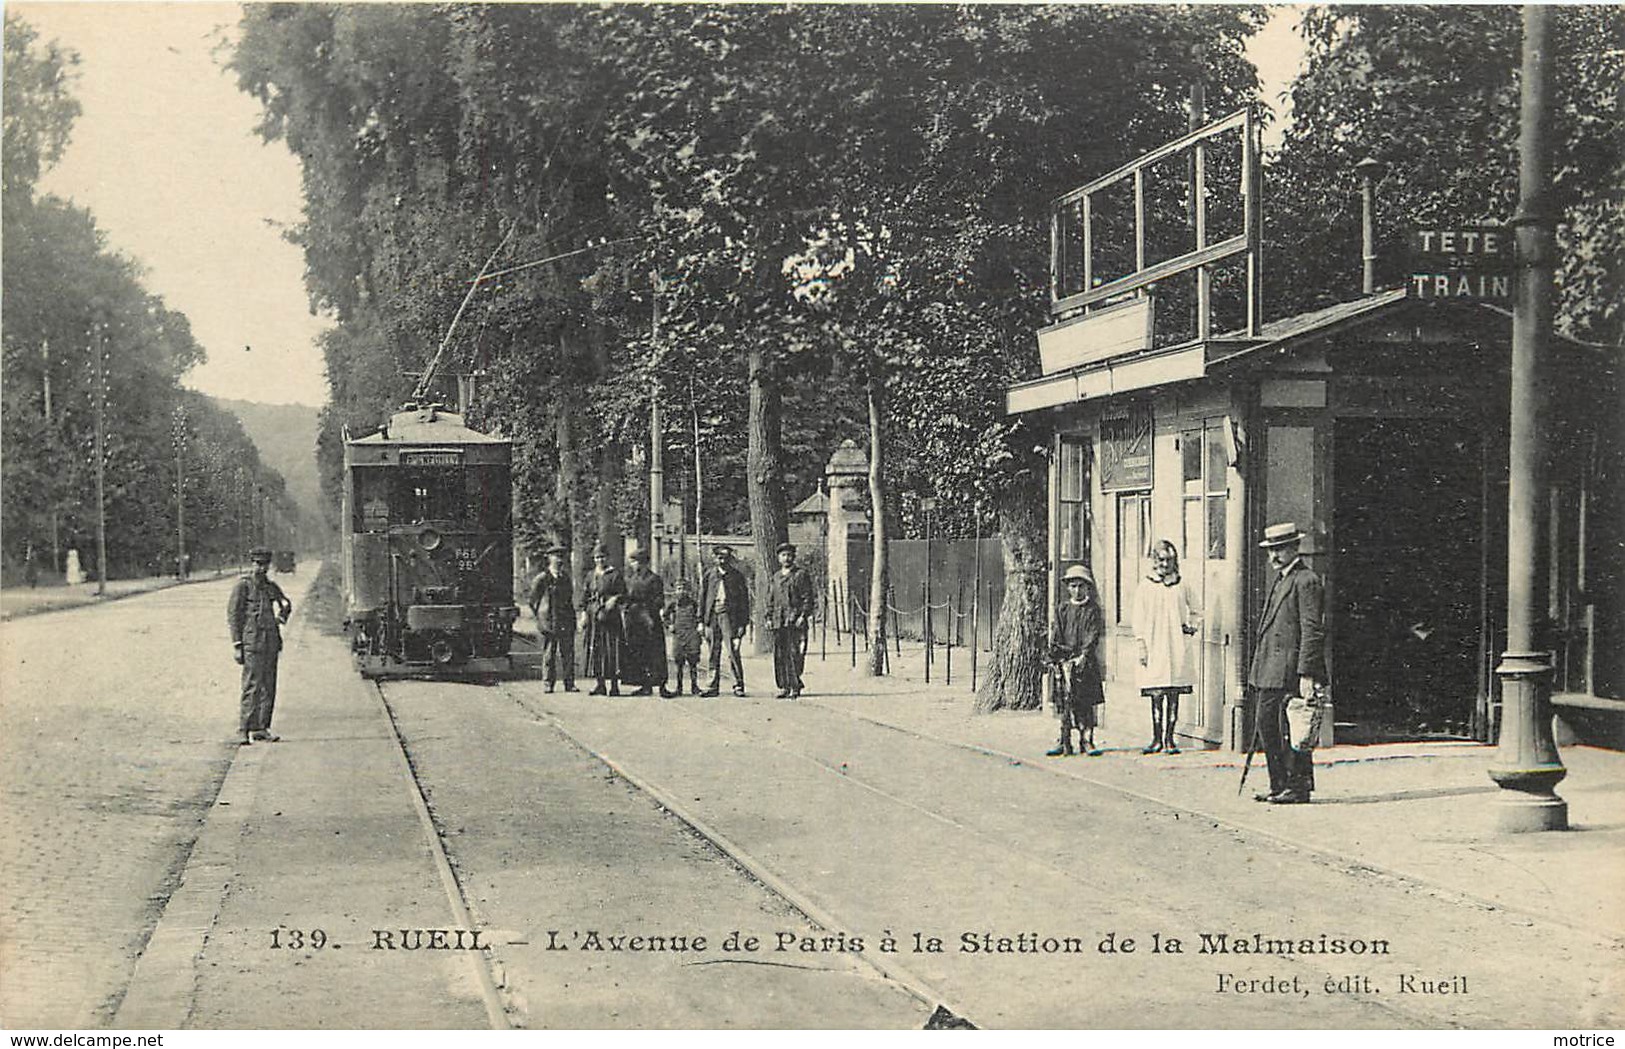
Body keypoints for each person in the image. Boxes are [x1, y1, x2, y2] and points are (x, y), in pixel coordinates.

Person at [1246, 522, 1328, 804]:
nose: (1274, 556)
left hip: (1291, 669)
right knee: (1267, 724)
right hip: (1271, 668)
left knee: (1296, 727)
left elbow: (1312, 630)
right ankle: (1278, 782)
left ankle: (1297, 786)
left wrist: (1307, 673)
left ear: (1295, 548)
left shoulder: (1306, 580)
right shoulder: (1284, 578)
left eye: (1280, 549)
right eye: (1271, 551)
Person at [1130, 540, 1201, 754]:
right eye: (1161, 560)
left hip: (1176, 646)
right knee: (1156, 693)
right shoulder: (1146, 586)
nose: (1165, 564)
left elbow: (1197, 610)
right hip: (1154, 645)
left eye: (1169, 560)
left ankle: (1170, 739)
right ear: (1154, 561)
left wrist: (1190, 627)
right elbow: (1138, 618)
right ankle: (1156, 738)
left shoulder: (1182, 584)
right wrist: (1141, 644)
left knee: (1173, 693)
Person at [227, 545, 293, 745]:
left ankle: (261, 728)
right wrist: (237, 644)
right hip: (252, 643)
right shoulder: (243, 586)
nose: (261, 568)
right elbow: (233, 615)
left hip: (271, 643)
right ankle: (243, 729)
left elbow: (285, 603)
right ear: (252, 563)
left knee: (268, 687)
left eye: (265, 565)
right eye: (258, 564)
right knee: (251, 687)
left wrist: (282, 616)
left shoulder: (270, 586)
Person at [1047, 564, 1107, 757]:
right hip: (1065, 661)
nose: (1077, 590)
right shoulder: (1062, 609)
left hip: (1084, 662)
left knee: (1086, 702)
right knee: (1064, 701)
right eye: (1073, 586)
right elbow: (1056, 634)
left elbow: (1093, 635)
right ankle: (1064, 740)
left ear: (1087, 587)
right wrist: (1056, 657)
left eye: (1081, 586)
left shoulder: (1092, 610)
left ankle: (1087, 739)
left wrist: (1084, 655)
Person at [764, 542, 816, 699]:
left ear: (793, 557)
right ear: (779, 558)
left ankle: (795, 685)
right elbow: (770, 599)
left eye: (789, 555)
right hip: (778, 620)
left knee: (795, 653)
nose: (786, 558)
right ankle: (784, 686)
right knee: (780, 654)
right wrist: (768, 617)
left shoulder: (800, 575)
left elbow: (808, 598)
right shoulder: (776, 577)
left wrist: (803, 616)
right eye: (783, 555)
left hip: (794, 620)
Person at [699, 544, 751, 697]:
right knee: (713, 651)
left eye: (725, 557)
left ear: (730, 559)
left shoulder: (737, 576)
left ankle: (738, 684)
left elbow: (744, 602)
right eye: (719, 557)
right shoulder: (709, 575)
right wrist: (701, 621)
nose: (722, 560)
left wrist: (743, 624)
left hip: (730, 617)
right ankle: (712, 685)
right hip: (712, 616)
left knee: (733, 651)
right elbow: (702, 598)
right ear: (715, 558)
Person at [621, 547, 672, 697]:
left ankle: (662, 685)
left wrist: (650, 610)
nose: (632, 565)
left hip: (650, 619)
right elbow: (626, 597)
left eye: (635, 562)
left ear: (643, 563)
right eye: (632, 562)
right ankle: (645, 685)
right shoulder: (630, 579)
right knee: (640, 652)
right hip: (635, 620)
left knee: (655, 653)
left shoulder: (654, 579)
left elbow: (659, 599)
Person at [528, 544, 577, 693]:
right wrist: (541, 617)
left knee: (568, 653)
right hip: (549, 621)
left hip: (565, 620)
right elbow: (532, 600)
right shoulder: (542, 578)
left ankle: (569, 683)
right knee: (549, 654)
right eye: (555, 556)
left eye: (561, 557)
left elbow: (569, 598)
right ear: (549, 558)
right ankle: (548, 683)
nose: (559, 560)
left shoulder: (565, 578)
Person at [582, 543, 626, 696]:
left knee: (611, 650)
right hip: (594, 618)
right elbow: (585, 597)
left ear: (608, 558)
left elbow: (623, 594)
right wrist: (584, 615)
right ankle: (600, 684)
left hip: (610, 618)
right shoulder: (590, 576)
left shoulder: (615, 575)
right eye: (597, 557)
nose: (600, 560)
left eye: (602, 557)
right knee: (596, 650)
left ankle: (614, 685)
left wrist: (614, 599)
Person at [665, 580, 703, 695]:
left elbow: (700, 616)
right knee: (679, 661)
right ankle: (679, 687)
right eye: (679, 589)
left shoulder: (693, 603)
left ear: (688, 591)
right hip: (678, 635)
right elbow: (664, 616)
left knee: (693, 661)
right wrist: (669, 625)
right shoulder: (673, 604)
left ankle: (694, 686)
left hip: (691, 634)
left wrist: (699, 626)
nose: (681, 591)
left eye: (684, 589)